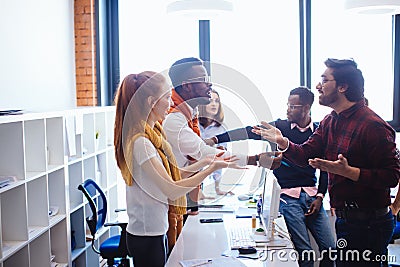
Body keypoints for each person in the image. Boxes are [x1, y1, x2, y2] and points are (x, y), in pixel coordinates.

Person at [253, 58, 400, 267]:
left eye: (324, 79)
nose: (318, 86)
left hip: (370, 224)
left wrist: (351, 172)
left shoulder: (374, 126)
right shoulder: (331, 121)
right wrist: (283, 141)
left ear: (342, 87)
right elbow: (305, 154)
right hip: (346, 220)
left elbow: (391, 176)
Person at [113, 71, 243, 267]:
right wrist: (209, 169)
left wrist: (205, 162)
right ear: (151, 101)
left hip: (155, 229)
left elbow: (174, 174)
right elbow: (171, 189)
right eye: (166, 98)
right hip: (146, 233)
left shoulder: (153, 136)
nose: (171, 103)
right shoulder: (141, 142)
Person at [205, 87, 335, 267]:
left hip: (313, 197)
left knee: (331, 249)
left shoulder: (320, 131)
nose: (288, 109)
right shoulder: (279, 127)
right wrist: (216, 140)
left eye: (293, 106)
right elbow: (248, 131)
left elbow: (325, 166)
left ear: (306, 107)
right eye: (287, 105)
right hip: (288, 197)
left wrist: (321, 196)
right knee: (305, 252)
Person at [163, 57, 282, 251]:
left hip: (183, 200)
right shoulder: (175, 118)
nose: (209, 83)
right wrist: (255, 160)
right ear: (187, 86)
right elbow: (204, 153)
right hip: (173, 205)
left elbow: (202, 151)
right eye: (203, 78)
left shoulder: (186, 115)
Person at [199, 89, 234, 196]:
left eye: (217, 101)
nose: (214, 104)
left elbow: (219, 159)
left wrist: (217, 189)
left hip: (205, 182)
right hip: (190, 180)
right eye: (210, 101)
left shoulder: (221, 128)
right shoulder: (193, 124)